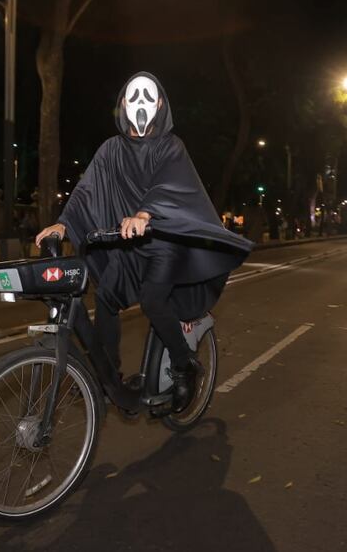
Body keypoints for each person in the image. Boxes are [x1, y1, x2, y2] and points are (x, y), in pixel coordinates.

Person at [35, 72, 252, 413]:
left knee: (153, 299)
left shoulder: (171, 146)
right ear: (121, 104)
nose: (139, 105)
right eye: (131, 98)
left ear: (161, 104)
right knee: (105, 296)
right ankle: (107, 377)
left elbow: (170, 185)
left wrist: (145, 213)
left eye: (148, 98)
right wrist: (62, 225)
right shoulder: (111, 149)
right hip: (128, 246)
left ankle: (184, 366)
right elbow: (86, 190)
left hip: (164, 243)